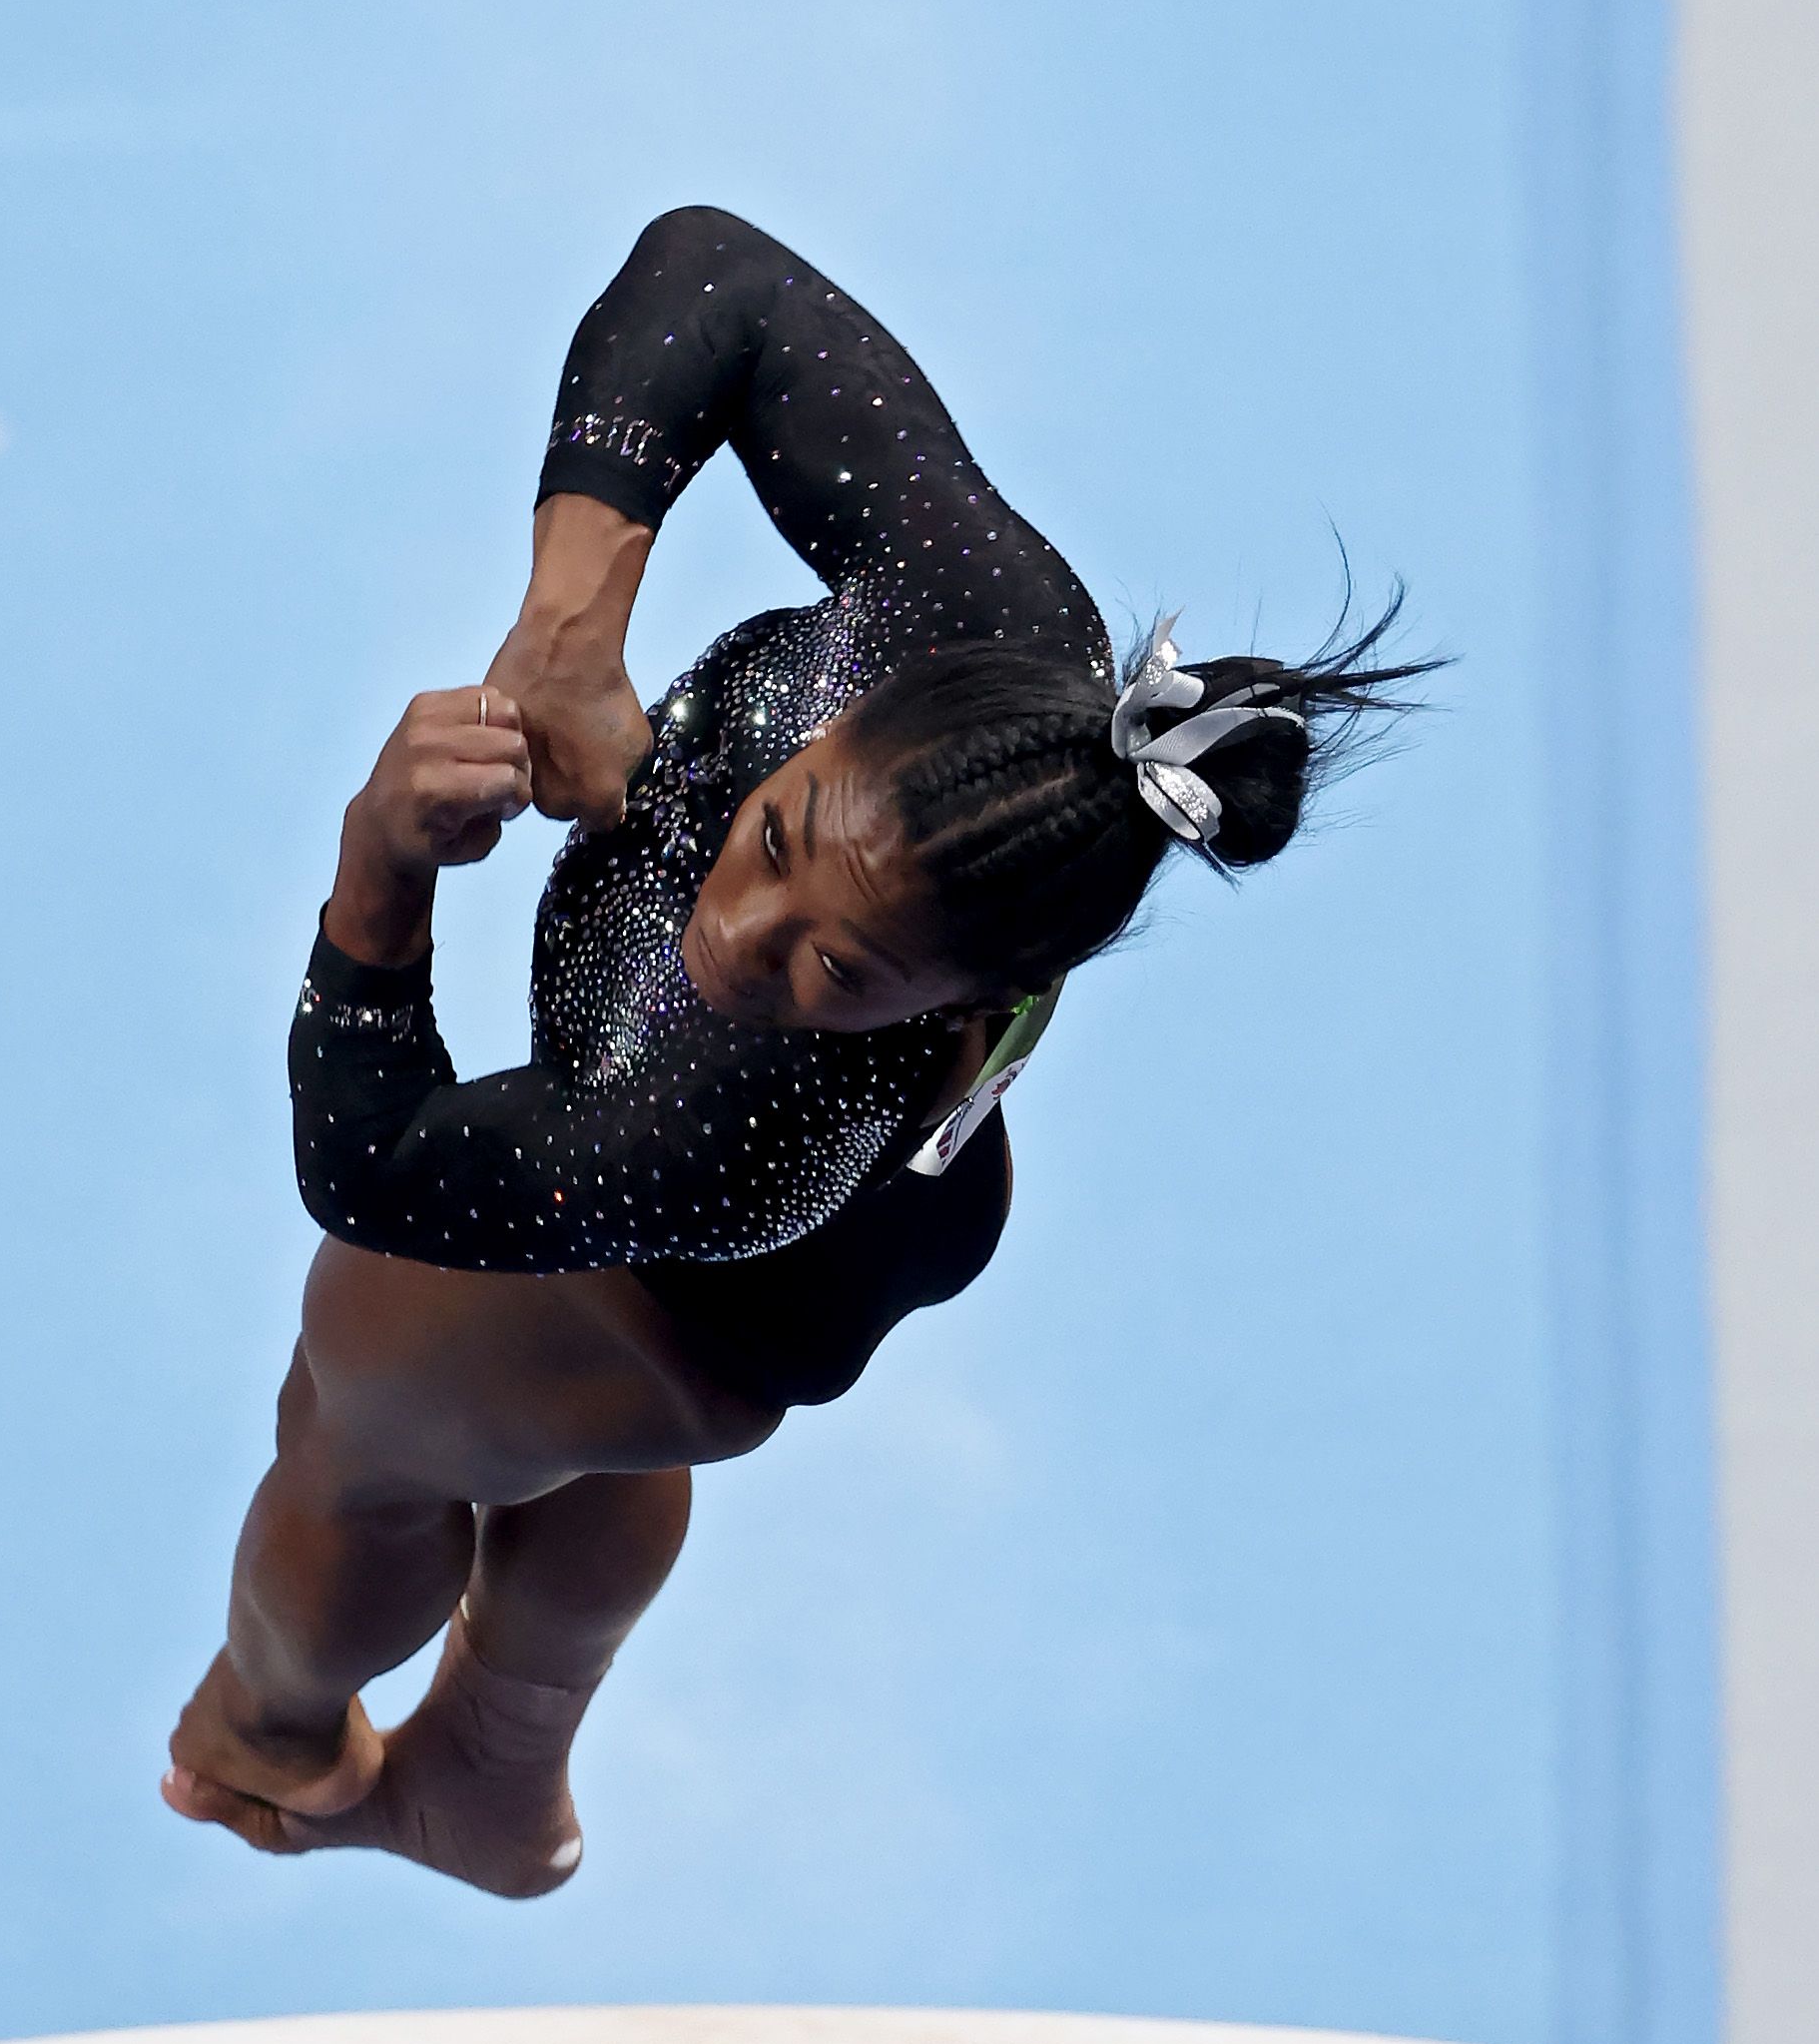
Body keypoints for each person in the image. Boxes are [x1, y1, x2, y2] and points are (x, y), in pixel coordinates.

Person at [163, 206, 1423, 1894]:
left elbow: (371, 1172)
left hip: (732, 1249)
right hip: (875, 1229)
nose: (738, 939)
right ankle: (491, 1774)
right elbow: (716, 277)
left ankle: (275, 1735)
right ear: (869, 715)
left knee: (358, 1414)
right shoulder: (990, 639)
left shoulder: (742, 1117)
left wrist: (377, 870)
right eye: (775, 836)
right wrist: (569, 618)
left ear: (971, 992)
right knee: (577, 1426)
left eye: (837, 961)